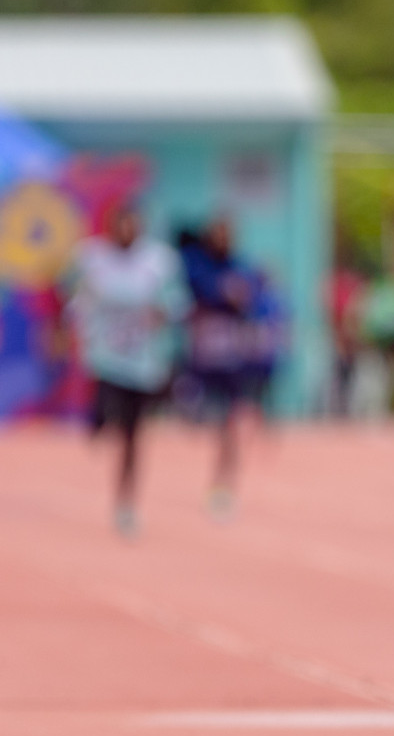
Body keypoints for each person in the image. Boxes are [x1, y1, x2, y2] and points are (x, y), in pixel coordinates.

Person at [66, 203, 189, 537]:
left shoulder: (159, 263)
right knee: (108, 409)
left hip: (144, 362)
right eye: (121, 225)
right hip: (106, 360)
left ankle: (126, 502)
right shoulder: (92, 259)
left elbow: (177, 303)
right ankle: (98, 420)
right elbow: (73, 299)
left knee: (133, 437)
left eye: (132, 225)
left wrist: (162, 315)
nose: (127, 231)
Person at [178, 218, 257, 516]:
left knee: (229, 425)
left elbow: (249, 299)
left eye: (228, 235)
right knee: (199, 417)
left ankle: (224, 484)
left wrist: (233, 298)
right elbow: (201, 293)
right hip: (200, 359)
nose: (223, 240)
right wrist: (224, 295)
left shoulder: (242, 266)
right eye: (218, 234)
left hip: (231, 358)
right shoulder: (196, 266)